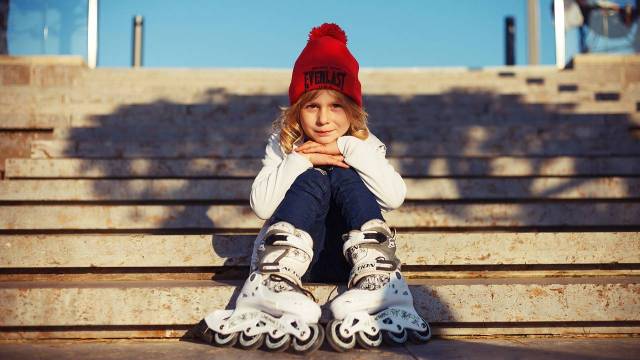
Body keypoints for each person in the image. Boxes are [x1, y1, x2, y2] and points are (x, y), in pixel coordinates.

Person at [195, 23, 430, 354]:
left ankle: (379, 276)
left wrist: (348, 151)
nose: (323, 119)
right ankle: (271, 281)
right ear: (297, 109)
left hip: (351, 262)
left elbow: (393, 197)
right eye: (311, 106)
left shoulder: (366, 145)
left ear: (353, 109)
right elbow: (261, 206)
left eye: (336, 106)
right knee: (315, 177)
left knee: (344, 176)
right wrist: (300, 161)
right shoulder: (284, 145)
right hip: (292, 261)